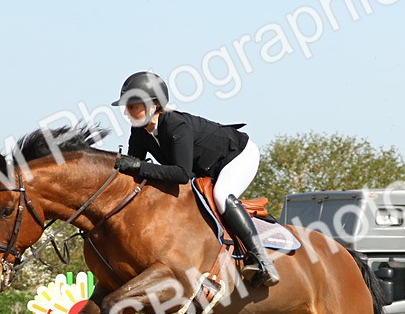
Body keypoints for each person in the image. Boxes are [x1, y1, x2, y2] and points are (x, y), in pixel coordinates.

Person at [110, 71, 280, 287]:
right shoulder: (139, 132)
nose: (127, 111)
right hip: (204, 168)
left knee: (221, 196)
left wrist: (137, 166)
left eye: (133, 105)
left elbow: (181, 174)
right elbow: (135, 170)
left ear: (154, 104)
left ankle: (261, 260)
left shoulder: (175, 125)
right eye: (127, 106)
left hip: (237, 156)